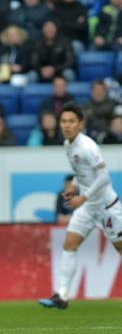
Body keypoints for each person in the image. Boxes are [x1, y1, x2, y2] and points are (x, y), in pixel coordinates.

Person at [38, 102, 122, 309]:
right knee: (69, 244)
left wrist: (82, 198)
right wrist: (73, 186)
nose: (66, 125)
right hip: (87, 207)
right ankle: (62, 296)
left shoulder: (87, 147)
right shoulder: (68, 144)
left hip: (106, 207)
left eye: (71, 122)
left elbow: (103, 177)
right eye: (64, 121)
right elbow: (82, 173)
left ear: (81, 124)